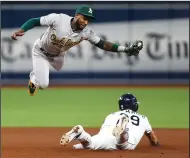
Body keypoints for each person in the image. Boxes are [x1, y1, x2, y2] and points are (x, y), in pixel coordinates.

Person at [11, 5, 143, 96]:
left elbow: (103, 44)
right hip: (40, 51)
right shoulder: (59, 19)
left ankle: (39, 75)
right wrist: (21, 30)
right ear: (77, 15)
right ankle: (34, 77)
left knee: (58, 67)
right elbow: (34, 21)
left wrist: (124, 50)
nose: (86, 22)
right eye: (84, 18)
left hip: (58, 55)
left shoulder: (86, 33)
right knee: (44, 84)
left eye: (88, 20)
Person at [60, 93, 160, 150]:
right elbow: (153, 140)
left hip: (107, 136)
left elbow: (103, 132)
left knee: (92, 144)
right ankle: (124, 132)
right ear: (134, 104)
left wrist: (77, 147)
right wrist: (156, 144)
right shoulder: (143, 118)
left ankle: (81, 134)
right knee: (123, 144)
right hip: (126, 142)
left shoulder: (112, 115)